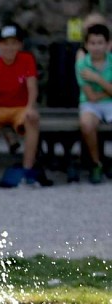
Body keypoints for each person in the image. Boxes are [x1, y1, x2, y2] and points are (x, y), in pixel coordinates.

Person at [0, 23, 52, 188]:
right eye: (5, 43)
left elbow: (32, 87)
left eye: (14, 43)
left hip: (19, 108)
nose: (10, 47)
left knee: (32, 118)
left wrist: (29, 107)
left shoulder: (27, 60)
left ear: (20, 45)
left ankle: (27, 171)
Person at [76, 23, 112, 184]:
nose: (96, 47)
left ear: (108, 44)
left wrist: (96, 78)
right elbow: (91, 96)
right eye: (92, 43)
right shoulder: (81, 64)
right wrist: (108, 89)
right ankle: (96, 163)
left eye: (100, 43)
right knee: (87, 124)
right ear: (86, 45)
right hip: (91, 105)